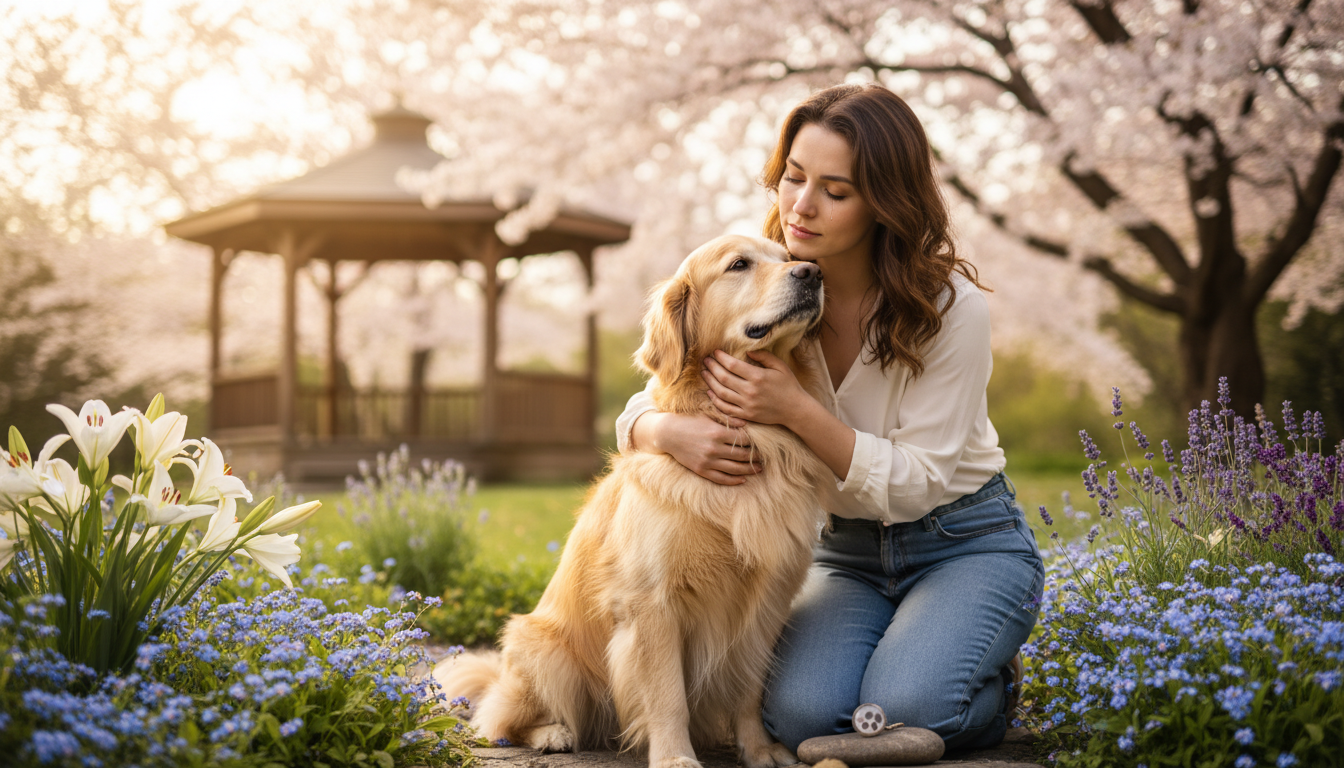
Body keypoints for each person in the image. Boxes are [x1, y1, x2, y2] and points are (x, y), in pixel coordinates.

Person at [613, 83, 1044, 753]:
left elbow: (917, 482)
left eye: (835, 192)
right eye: (792, 178)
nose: (801, 208)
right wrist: (659, 430)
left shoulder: (950, 310)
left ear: (884, 204)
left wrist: (794, 409)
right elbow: (672, 373)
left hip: (963, 540)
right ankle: (913, 671)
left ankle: (984, 687)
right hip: (845, 553)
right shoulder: (774, 281)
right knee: (801, 719)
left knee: (905, 705)